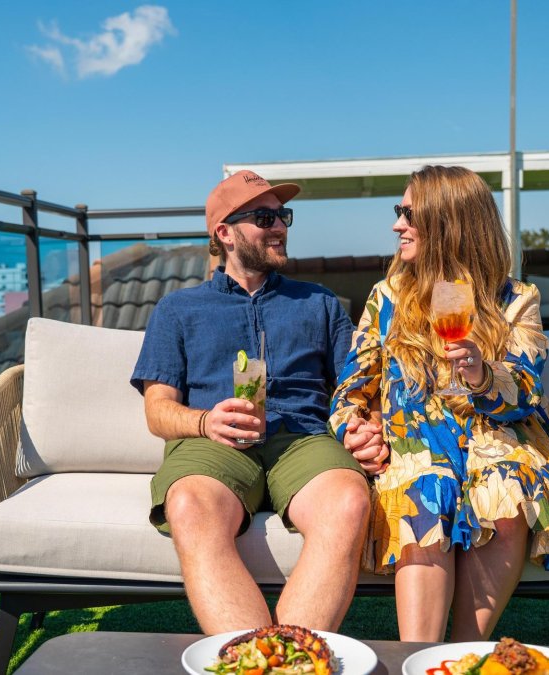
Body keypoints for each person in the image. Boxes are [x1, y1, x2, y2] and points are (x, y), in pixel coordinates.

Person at [330, 165, 549, 642]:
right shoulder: (387, 297)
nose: (396, 224)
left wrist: (480, 372)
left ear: (449, 224)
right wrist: (355, 429)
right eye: (398, 211)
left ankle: (465, 654)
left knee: (505, 485)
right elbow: (351, 389)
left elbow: (526, 390)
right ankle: (417, 658)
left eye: (409, 214)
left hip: (496, 439)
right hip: (416, 443)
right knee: (425, 488)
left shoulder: (516, 299)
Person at [131, 170, 371, 634]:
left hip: (302, 438)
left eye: (283, 216)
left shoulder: (319, 303)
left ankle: (287, 660)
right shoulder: (177, 310)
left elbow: (357, 389)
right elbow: (157, 411)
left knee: (348, 500)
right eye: (264, 218)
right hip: (213, 444)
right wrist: (206, 422)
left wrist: (365, 422)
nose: (279, 226)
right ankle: (253, 658)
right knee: (189, 504)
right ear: (225, 233)